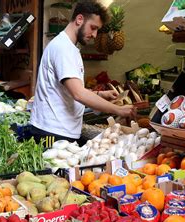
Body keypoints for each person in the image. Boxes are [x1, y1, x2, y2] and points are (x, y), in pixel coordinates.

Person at [30, 0, 136, 145]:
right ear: (79, 19)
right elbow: (78, 94)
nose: (94, 34)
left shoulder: (69, 48)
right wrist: (118, 110)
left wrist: (99, 94)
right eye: (93, 27)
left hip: (60, 131)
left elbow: (69, 90)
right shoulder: (63, 48)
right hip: (53, 132)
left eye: (97, 30)